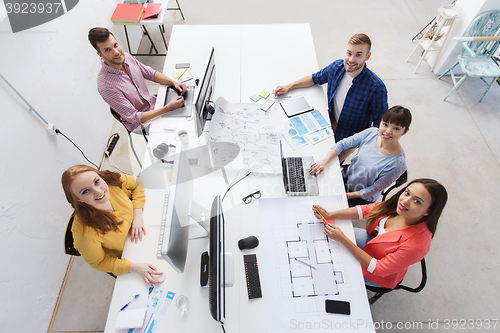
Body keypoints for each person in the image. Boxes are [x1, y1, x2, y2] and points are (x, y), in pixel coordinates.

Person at [313, 178, 447, 289]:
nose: (405, 201)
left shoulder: (417, 245)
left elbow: (378, 268)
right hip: (372, 242)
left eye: (417, 201)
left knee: (328, 272)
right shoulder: (399, 207)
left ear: (427, 212)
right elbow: (369, 210)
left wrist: (343, 240)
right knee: (324, 239)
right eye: (407, 193)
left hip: (377, 272)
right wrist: (330, 214)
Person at [274, 33, 388, 161]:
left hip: (349, 137)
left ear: (368, 56)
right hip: (329, 123)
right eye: (349, 53)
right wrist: (290, 86)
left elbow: (380, 126)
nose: (351, 59)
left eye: (358, 55)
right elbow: (315, 78)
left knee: (327, 167)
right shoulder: (336, 67)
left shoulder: (376, 88)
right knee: (304, 152)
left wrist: (352, 145)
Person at [62, 165, 162, 283]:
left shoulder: (111, 180)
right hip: (133, 254)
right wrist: (134, 267)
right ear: (79, 199)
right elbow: (99, 262)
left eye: (97, 181)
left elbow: (137, 183)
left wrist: (137, 213)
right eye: (85, 191)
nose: (98, 191)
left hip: (148, 226)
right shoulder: (83, 233)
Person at [88, 27, 186, 133]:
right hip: (142, 124)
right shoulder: (106, 86)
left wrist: (174, 82)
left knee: (188, 105)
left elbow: (150, 73)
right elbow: (135, 118)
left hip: (152, 103)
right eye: (107, 50)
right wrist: (168, 108)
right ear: (100, 54)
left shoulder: (126, 57)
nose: (116, 52)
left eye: (115, 45)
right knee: (181, 127)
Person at [310, 105, 411, 207]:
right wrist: (323, 162)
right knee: (313, 189)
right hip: (347, 176)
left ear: (405, 131)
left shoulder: (398, 164)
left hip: (359, 196)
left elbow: (374, 189)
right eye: (385, 124)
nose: (388, 131)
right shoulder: (372, 132)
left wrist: (346, 196)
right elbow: (342, 144)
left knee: (326, 208)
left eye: (396, 128)